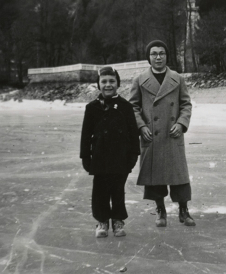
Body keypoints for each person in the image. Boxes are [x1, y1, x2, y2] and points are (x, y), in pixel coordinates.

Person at [129, 40, 195, 227]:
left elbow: (186, 104)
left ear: (167, 56)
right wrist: (141, 127)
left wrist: (181, 124)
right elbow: (132, 107)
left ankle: (183, 210)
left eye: (161, 53)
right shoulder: (140, 80)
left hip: (172, 133)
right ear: (148, 57)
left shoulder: (177, 78)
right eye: (154, 54)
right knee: (155, 176)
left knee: (179, 176)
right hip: (152, 134)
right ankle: (161, 210)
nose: (158, 57)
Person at [80, 66, 140, 238]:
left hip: (120, 159)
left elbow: (133, 134)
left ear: (118, 83)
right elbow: (85, 135)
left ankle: (118, 220)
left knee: (118, 190)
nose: (108, 85)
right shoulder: (92, 108)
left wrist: (134, 155)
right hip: (99, 158)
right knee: (100, 192)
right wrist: (85, 156)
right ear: (98, 84)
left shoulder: (126, 107)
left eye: (112, 81)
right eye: (104, 81)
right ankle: (102, 221)